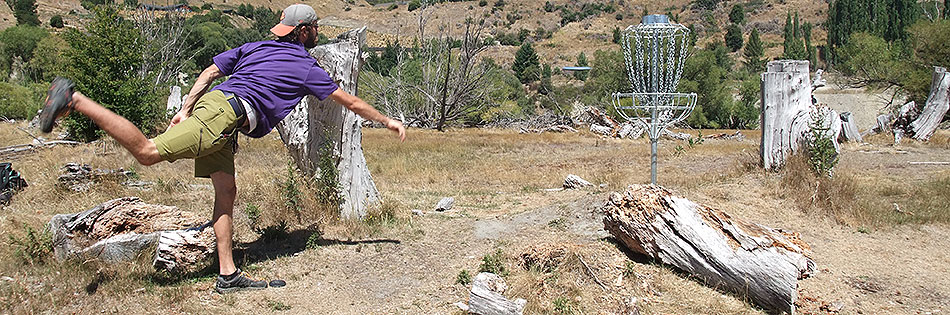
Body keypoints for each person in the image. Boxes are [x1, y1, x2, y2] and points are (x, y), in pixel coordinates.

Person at [37, 4, 406, 293]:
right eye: (314, 30)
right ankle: (75, 100)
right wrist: (387, 120)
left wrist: (186, 108)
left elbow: (210, 71)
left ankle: (227, 274)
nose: (315, 35)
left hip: (219, 112)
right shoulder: (304, 65)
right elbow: (350, 103)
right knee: (148, 153)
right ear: (304, 31)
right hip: (222, 117)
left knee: (226, 191)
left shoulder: (256, 46)